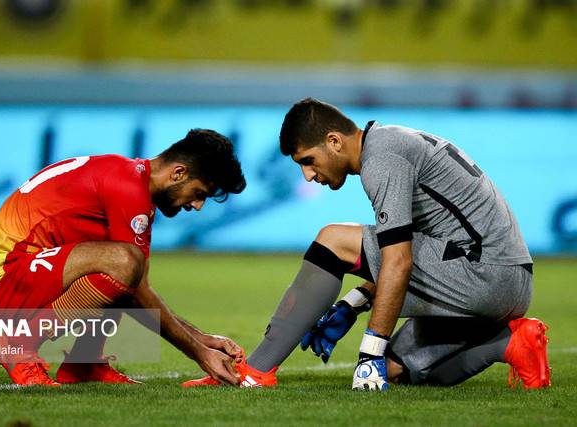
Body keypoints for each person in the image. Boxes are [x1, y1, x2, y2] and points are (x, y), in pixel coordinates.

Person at [183, 98, 550, 390]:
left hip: (483, 274)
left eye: (308, 161)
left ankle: (255, 371)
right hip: (504, 280)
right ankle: (511, 343)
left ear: (334, 141)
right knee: (398, 367)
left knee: (333, 239)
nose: (308, 175)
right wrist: (351, 305)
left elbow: (400, 261)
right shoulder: (392, 142)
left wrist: (368, 352)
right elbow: (422, 252)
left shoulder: (383, 157)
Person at [0, 129, 246, 387]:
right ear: (178, 173)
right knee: (124, 263)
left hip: (28, 274)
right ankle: (18, 345)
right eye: (199, 194)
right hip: (0, 280)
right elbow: (134, 285)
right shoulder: (127, 188)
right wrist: (200, 352)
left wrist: (202, 339)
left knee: (125, 268)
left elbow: (136, 290)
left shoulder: (130, 181)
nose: (197, 206)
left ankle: (84, 361)